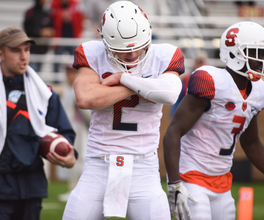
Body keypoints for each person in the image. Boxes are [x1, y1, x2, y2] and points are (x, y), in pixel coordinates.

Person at [62, 1, 184, 220]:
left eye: (139, 46)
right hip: (98, 163)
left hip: (143, 165)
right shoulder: (92, 53)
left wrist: (122, 78)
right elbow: (86, 97)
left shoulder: (164, 55)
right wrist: (138, 86)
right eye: (122, 50)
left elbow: (169, 93)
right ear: (106, 42)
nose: (133, 54)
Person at [163, 21, 264, 220]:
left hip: (222, 181)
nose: (261, 59)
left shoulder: (259, 93)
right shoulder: (211, 82)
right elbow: (173, 132)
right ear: (235, 53)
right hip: (191, 175)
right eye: (255, 52)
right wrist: (174, 182)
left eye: (263, 53)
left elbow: (251, 142)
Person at [0, 27, 78, 220]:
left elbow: (65, 133)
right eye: (16, 50)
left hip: (32, 186)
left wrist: (69, 155)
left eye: (26, 49)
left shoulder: (44, 93)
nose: (23, 56)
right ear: (0, 53)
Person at [57, 64, 90, 202]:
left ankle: (80, 190)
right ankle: (73, 189)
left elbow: (87, 113)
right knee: (72, 158)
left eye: (71, 72)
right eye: (67, 72)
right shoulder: (68, 90)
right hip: (71, 128)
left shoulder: (79, 88)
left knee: (80, 159)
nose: (68, 75)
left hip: (80, 129)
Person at [49, 0, 85, 74]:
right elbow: (50, 21)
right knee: (57, 61)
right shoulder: (54, 5)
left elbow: (81, 19)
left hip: (73, 38)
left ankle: (76, 78)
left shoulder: (75, 5)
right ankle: (56, 80)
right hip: (59, 38)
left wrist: (79, 35)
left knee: (76, 61)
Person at [170, 49, 208, 117]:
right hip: (185, 115)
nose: (200, 65)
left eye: (202, 62)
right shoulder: (185, 80)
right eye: (199, 62)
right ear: (194, 63)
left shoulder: (211, 81)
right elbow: (177, 100)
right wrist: (174, 115)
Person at [23, 0, 55, 72]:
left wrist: (50, 31)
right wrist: (39, 32)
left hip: (42, 48)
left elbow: (51, 26)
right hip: (32, 48)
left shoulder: (46, 13)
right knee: (32, 70)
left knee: (38, 71)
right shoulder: (30, 12)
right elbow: (27, 28)